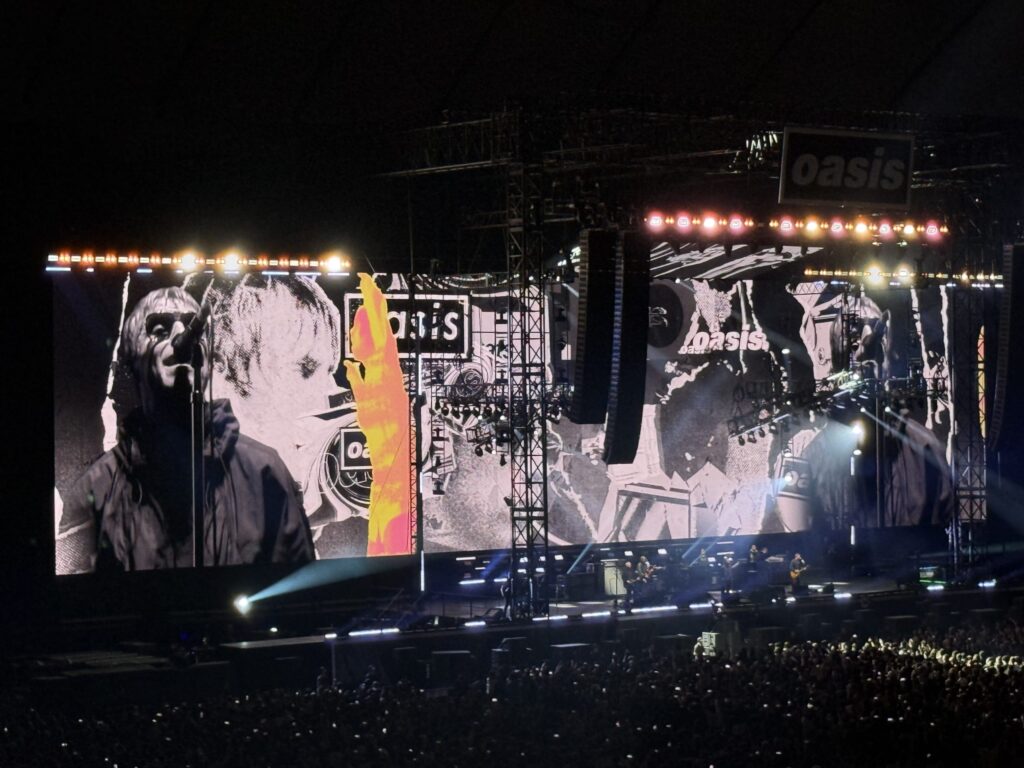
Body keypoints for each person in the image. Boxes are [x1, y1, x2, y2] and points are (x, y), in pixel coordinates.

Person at [57, 286, 315, 572]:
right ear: (132, 360)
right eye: (159, 329)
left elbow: (299, 591)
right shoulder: (96, 486)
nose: (181, 337)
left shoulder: (266, 472)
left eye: (192, 327)